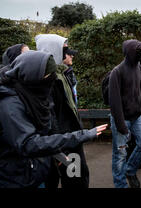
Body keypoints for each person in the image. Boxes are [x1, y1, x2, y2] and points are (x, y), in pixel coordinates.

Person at [0, 50, 107, 188]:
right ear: (33, 75)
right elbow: (29, 143)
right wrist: (81, 135)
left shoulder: (30, 94)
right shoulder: (9, 105)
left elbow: (43, 129)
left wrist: (57, 153)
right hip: (16, 178)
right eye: (48, 76)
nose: (51, 81)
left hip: (34, 170)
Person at [35, 34, 90, 188]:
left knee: (76, 178)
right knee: (73, 180)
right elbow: (50, 116)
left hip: (70, 138)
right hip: (65, 142)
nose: (69, 54)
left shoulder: (63, 73)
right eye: (64, 49)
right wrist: (60, 148)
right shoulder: (48, 79)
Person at [108, 39, 141, 188]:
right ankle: (121, 185)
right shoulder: (117, 72)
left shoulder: (140, 68)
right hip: (121, 119)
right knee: (120, 154)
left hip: (137, 116)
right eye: (139, 51)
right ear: (130, 52)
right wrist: (121, 125)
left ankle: (130, 170)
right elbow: (114, 101)